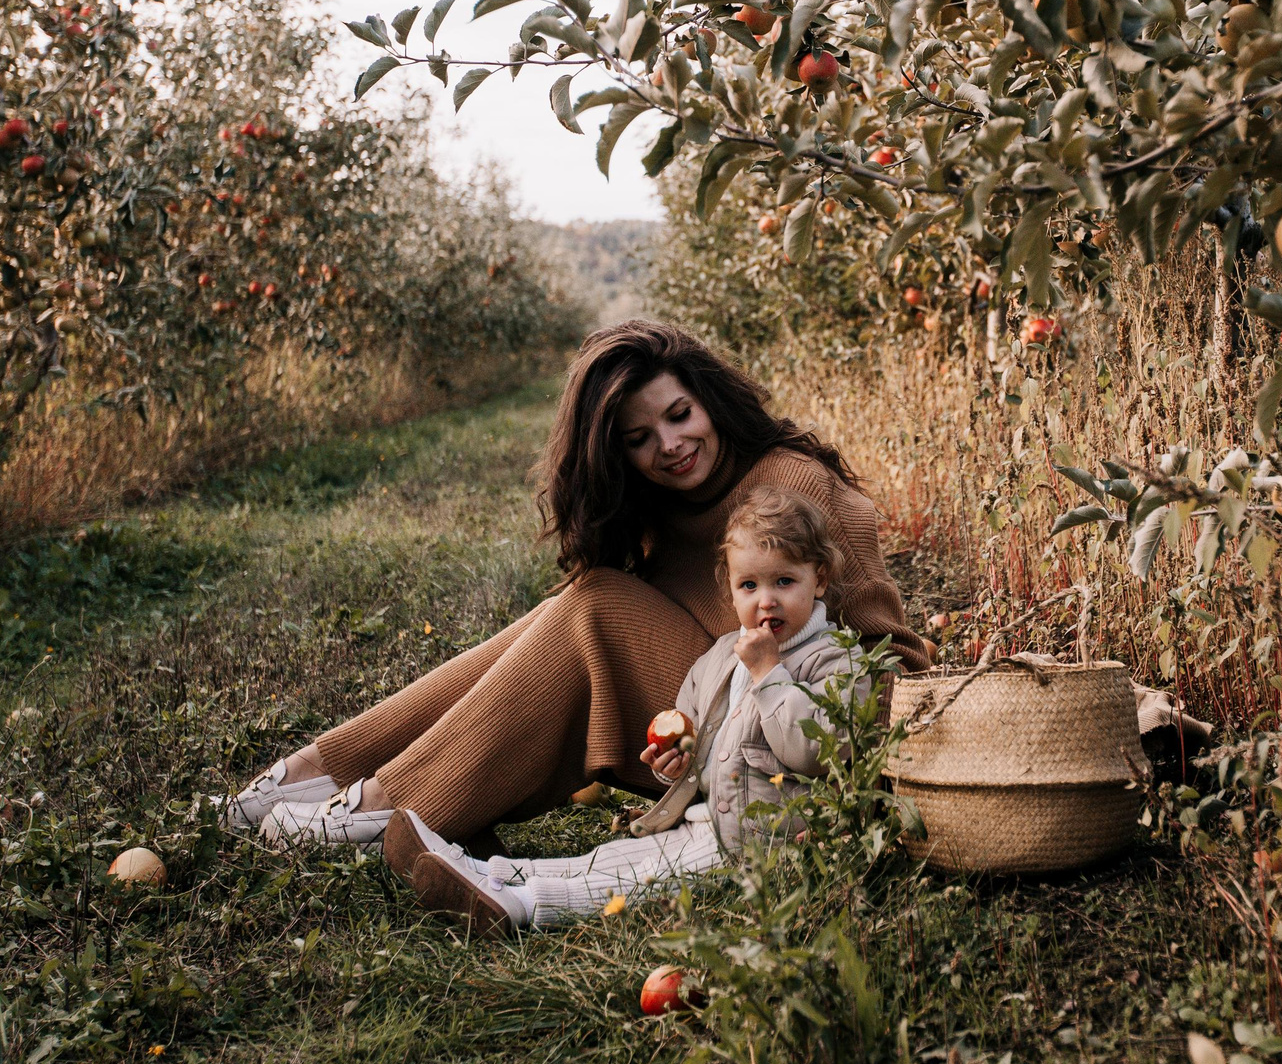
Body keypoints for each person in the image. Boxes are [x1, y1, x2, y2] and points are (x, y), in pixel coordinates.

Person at [210, 321, 930, 864]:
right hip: (711, 713)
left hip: (790, 738)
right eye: (638, 438)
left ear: (709, 400)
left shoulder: (792, 485)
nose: (669, 445)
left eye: (679, 414)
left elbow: (888, 654)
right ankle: (313, 771)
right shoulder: (663, 508)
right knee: (573, 603)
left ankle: (384, 805)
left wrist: (835, 733)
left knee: (594, 605)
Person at [395, 485, 866, 928]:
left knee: (636, 882)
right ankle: (486, 872)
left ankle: (520, 905)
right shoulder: (721, 656)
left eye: (784, 581)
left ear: (819, 579)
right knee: (605, 860)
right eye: (749, 586)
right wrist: (673, 763)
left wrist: (769, 674)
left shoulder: (835, 660)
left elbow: (814, 751)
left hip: (760, 849)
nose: (766, 601)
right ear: (730, 588)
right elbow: (693, 742)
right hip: (701, 826)